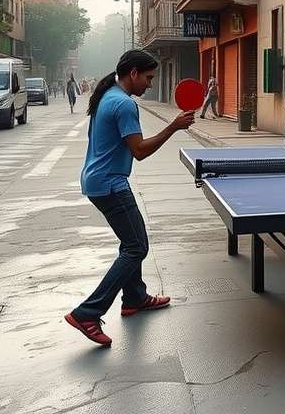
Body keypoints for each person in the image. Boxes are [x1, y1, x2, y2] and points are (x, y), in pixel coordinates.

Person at [64, 50, 194, 346]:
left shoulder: (108, 94)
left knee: (131, 242)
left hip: (98, 180)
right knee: (136, 246)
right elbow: (139, 151)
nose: (150, 84)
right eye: (148, 77)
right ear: (133, 73)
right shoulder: (123, 104)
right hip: (110, 184)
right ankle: (87, 313)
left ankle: (135, 297)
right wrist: (173, 126)